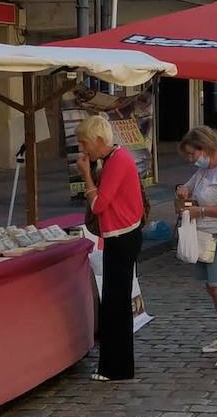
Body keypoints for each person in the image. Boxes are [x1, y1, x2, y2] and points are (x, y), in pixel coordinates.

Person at [76, 115, 145, 381]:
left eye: (85, 143)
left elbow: (99, 205)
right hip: (121, 236)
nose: (83, 149)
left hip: (122, 238)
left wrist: (86, 177)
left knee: (115, 305)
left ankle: (116, 367)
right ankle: (116, 365)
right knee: (114, 303)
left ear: (99, 140)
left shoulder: (117, 161)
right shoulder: (116, 159)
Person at [176, 126, 217, 369]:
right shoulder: (205, 171)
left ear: (204, 149)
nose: (191, 159)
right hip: (204, 234)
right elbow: (189, 187)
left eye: (192, 154)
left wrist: (200, 210)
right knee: (212, 288)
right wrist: (183, 191)